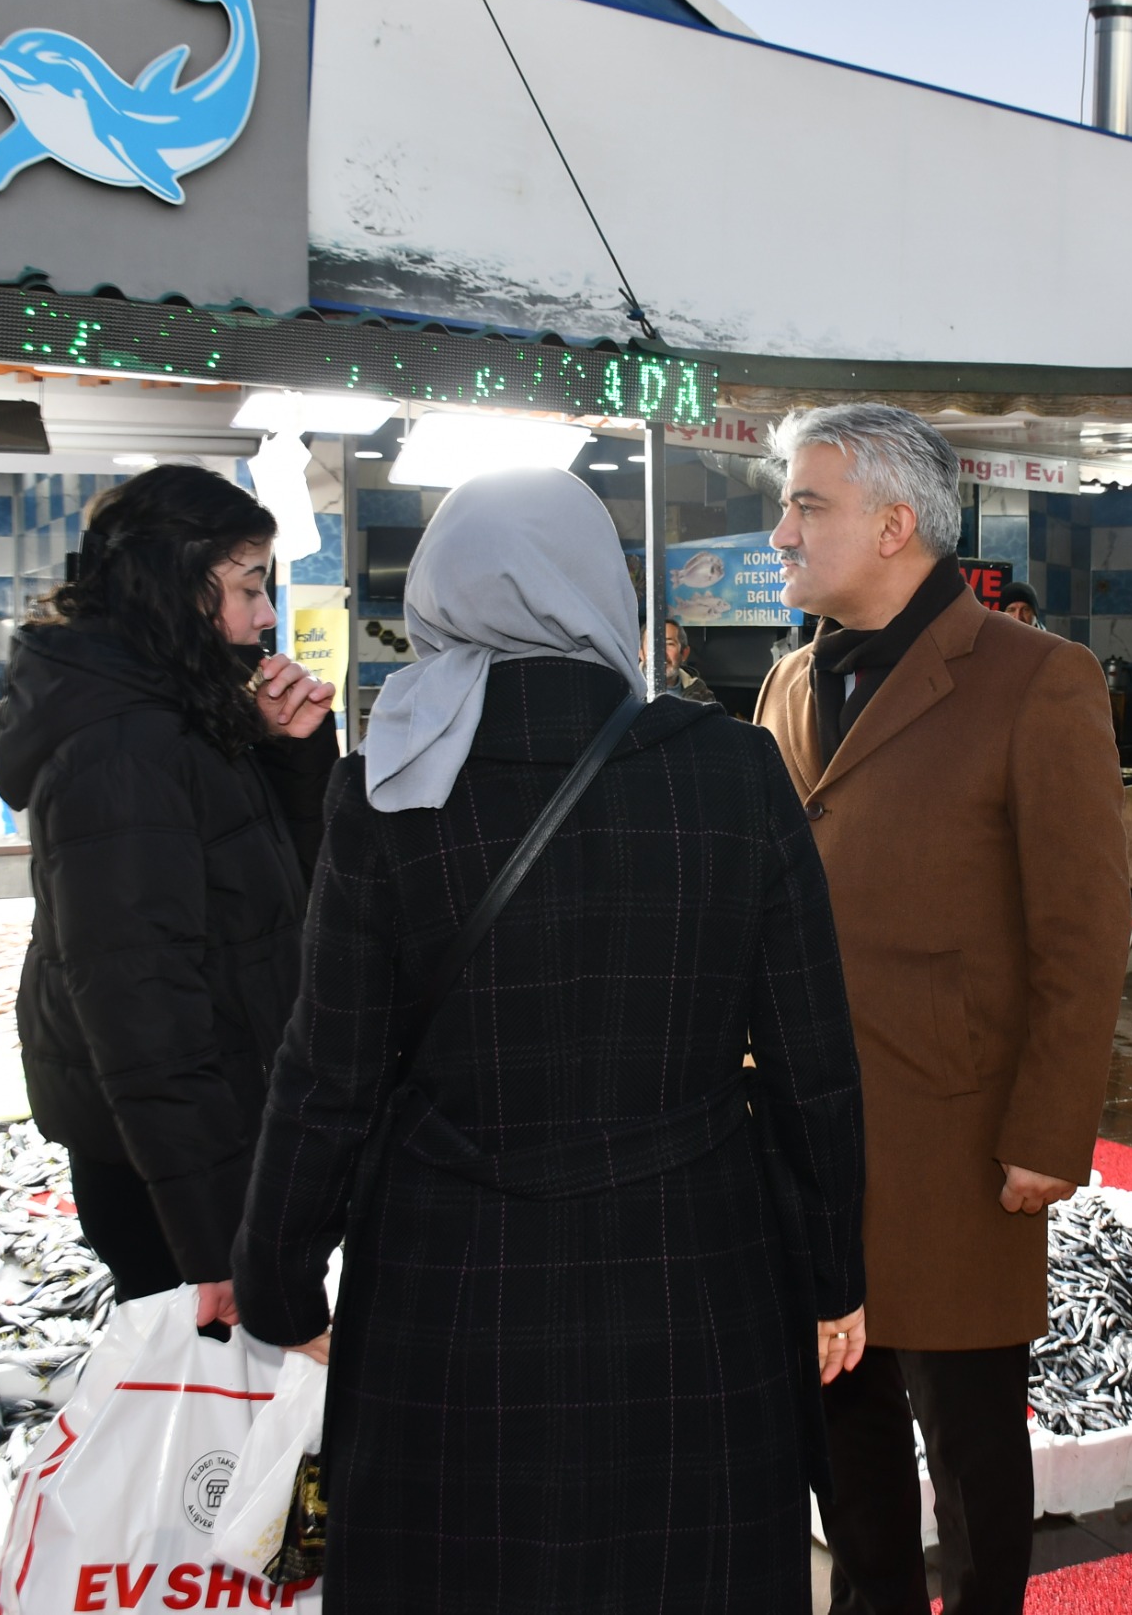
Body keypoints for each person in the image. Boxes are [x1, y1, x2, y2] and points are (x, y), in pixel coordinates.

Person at [232, 468, 867, 1614]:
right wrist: (832, 1271)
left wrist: (282, 1277)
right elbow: (811, 1058)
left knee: (461, 1566)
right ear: (598, 586)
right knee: (685, 1567)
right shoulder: (731, 771)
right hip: (691, 1267)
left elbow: (326, 1068)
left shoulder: (389, 782)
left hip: (449, 1273)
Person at [753, 404, 1127, 1615]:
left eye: (808, 505)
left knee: (968, 1445)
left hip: (958, 1140)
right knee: (839, 1430)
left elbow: (1079, 934)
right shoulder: (790, 678)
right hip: (808, 1130)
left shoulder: (1036, 680)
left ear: (895, 524)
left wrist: (1047, 1130)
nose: (782, 530)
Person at [0, 465, 339, 1324]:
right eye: (249, 587)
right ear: (175, 584)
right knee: (201, 1434)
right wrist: (216, 1241)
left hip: (217, 1132)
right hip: (173, 1172)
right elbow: (140, 1001)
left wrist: (291, 756)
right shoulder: (121, 746)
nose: (265, 615)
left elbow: (276, 898)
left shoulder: (182, 712)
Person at [654, 616, 724, 702]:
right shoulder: (633, 693)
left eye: (669, 644)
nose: (661, 653)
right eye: (653, 644)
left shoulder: (701, 695)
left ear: (684, 653)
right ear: (640, 652)